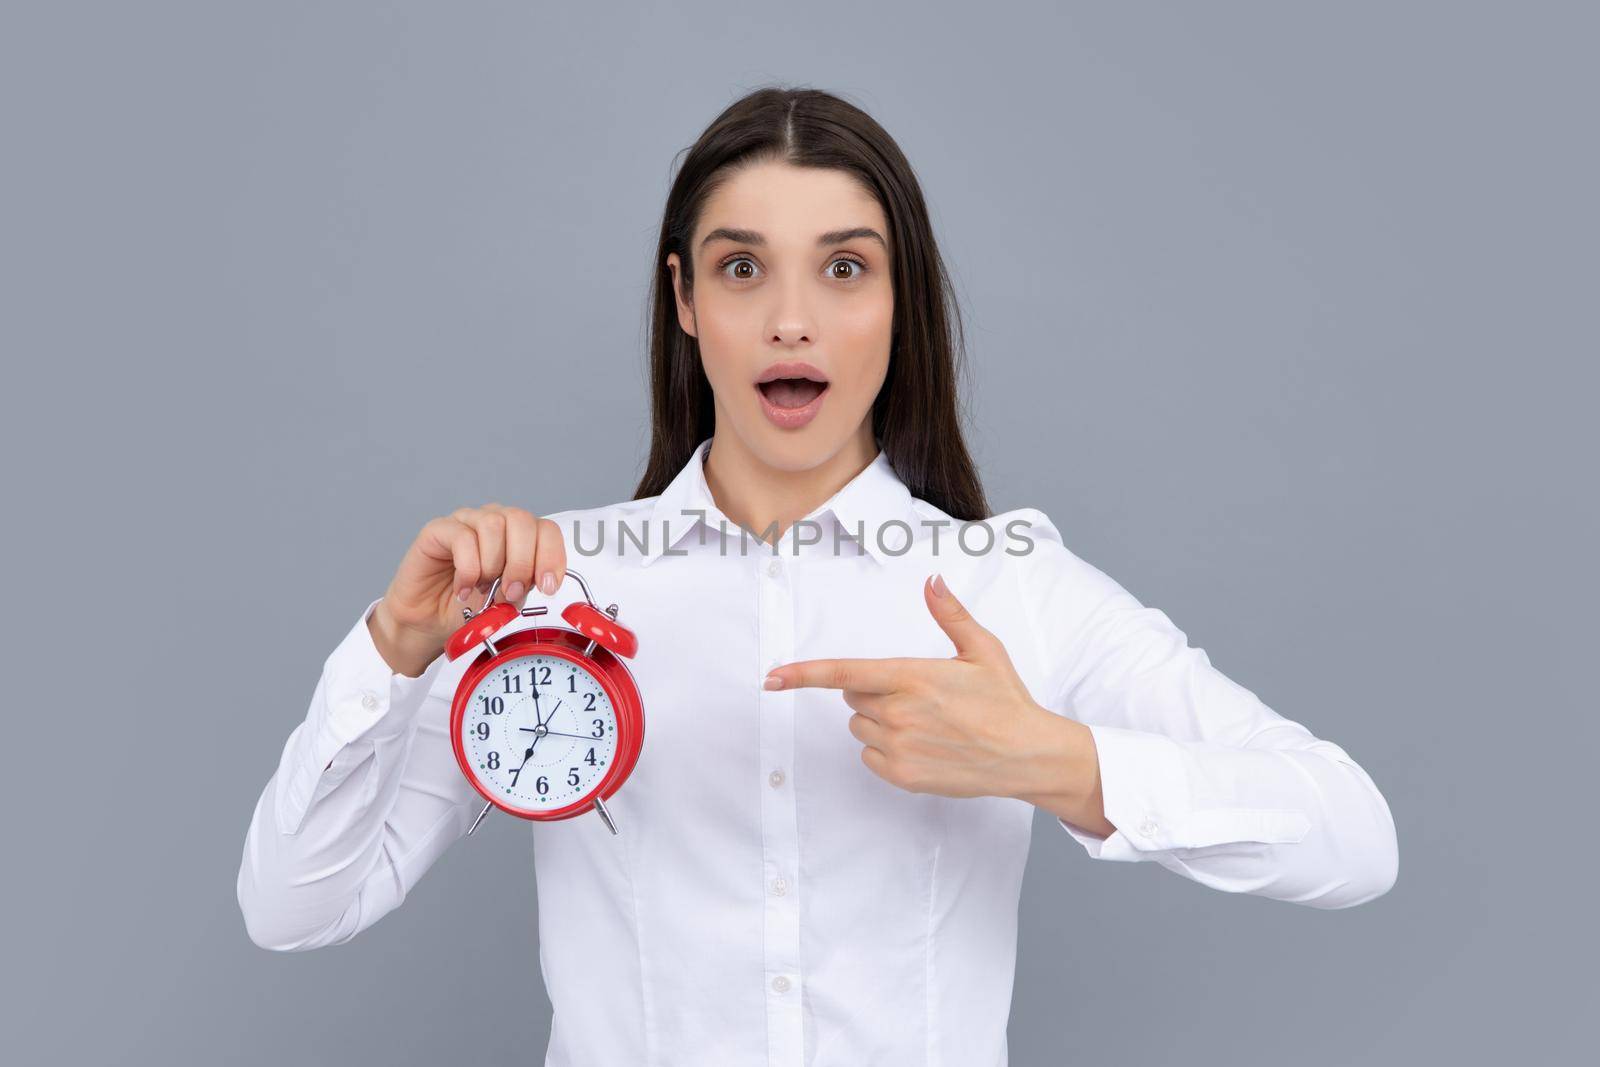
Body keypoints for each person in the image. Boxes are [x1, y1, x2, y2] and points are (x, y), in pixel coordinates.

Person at [237, 86, 1397, 1066]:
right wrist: (394, 649)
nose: (792, 320)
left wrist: (1051, 758)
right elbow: (294, 906)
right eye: (743, 269)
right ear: (686, 299)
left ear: (900, 305)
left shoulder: (1007, 584)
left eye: (845, 268)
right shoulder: (543, 588)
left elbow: (1351, 837)